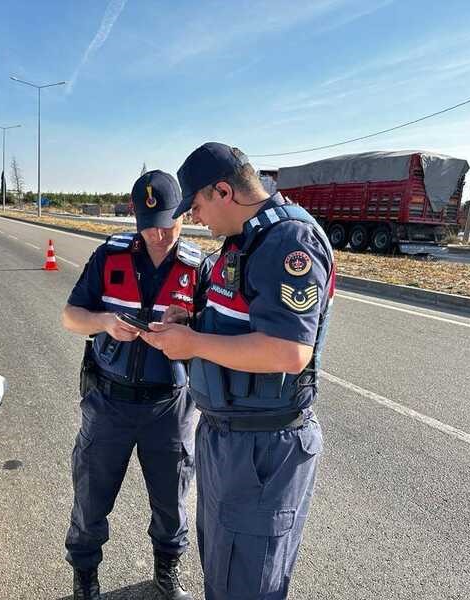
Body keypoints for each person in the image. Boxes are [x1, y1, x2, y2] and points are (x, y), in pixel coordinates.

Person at [141, 143, 335, 600]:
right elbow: (235, 324)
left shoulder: (288, 241)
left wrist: (194, 344)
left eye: (199, 205)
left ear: (224, 191)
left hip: (262, 446)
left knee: (247, 581)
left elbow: (290, 352)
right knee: (222, 568)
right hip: (226, 437)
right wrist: (188, 326)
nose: (197, 218)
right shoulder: (241, 241)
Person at [62, 170, 213, 600]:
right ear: (135, 217)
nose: (159, 235)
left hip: (169, 405)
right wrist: (105, 322)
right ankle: (85, 576)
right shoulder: (109, 257)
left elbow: (214, 335)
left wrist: (190, 327)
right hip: (108, 402)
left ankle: (167, 570)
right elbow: (71, 316)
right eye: (149, 225)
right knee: (91, 497)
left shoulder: (198, 266)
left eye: (168, 223)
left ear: (183, 213)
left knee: (172, 499)